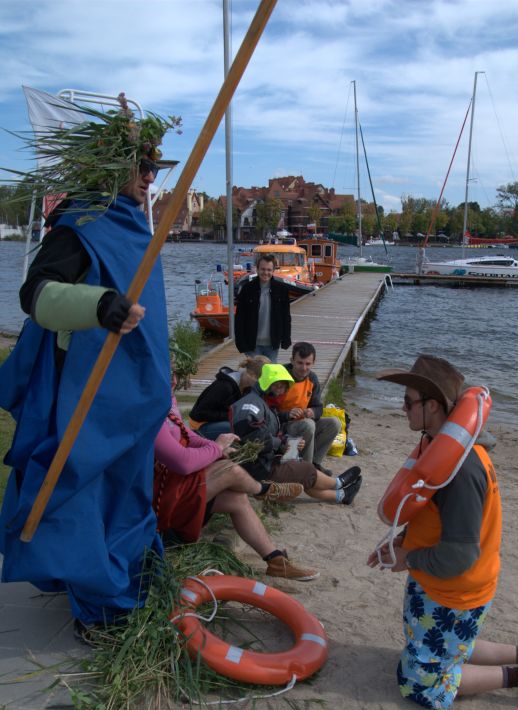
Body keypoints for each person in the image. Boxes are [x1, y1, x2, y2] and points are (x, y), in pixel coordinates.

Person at [0, 95, 180, 635]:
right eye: (142, 166)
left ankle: (118, 581)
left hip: (131, 398)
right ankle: (99, 611)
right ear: (110, 167)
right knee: (84, 493)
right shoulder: (82, 222)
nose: (150, 177)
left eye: (153, 166)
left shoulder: (132, 225)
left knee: (126, 495)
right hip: (87, 396)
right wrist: (98, 306)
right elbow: (35, 296)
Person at [367, 354, 518, 710]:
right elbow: (435, 516)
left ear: (432, 407)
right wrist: (402, 540)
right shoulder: (441, 450)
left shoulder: (460, 471)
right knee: (454, 644)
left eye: (408, 401)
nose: (402, 409)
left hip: (454, 590)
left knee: (417, 683)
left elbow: (461, 554)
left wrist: (409, 558)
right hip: (443, 584)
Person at [153, 393, 318, 581]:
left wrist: (215, 447)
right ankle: (264, 491)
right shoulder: (147, 410)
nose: (173, 379)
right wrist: (215, 449)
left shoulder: (167, 398)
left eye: (173, 373)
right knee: (229, 470)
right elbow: (182, 462)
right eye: (167, 373)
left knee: (237, 499)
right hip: (155, 498)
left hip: (170, 484)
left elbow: (187, 434)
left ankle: (276, 562)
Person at [230, 363, 363, 505]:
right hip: (258, 468)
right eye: (278, 386)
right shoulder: (251, 404)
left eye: (284, 388)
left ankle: (341, 495)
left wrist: (287, 440)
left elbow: (268, 430)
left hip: (264, 461)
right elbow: (252, 436)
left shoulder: (263, 402)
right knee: (305, 469)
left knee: (301, 471)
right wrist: (282, 444)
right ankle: (337, 483)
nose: (281, 392)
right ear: (267, 384)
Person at [276, 341, 341, 476]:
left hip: (303, 422)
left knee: (334, 423)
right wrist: (288, 414)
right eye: (300, 363)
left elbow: (318, 408)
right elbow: (268, 411)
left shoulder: (312, 378)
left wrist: (313, 412)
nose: (304, 368)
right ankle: (307, 470)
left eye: (308, 364)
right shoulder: (280, 376)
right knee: (309, 424)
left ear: (313, 363)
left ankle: (315, 463)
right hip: (281, 425)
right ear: (292, 361)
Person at [188, 355, 269, 439]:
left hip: (218, 422)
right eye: (261, 380)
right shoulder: (224, 386)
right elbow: (200, 413)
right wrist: (231, 415)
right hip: (199, 425)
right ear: (252, 375)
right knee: (239, 428)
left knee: (249, 426)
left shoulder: (247, 389)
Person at [234, 254, 291, 363]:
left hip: (272, 344)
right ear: (257, 269)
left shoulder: (282, 290)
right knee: (254, 377)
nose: (266, 273)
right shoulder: (247, 289)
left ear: (273, 270)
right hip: (252, 343)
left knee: (270, 377)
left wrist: (286, 339)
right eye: (263, 269)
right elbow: (240, 317)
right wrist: (240, 342)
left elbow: (286, 317)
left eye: (269, 270)